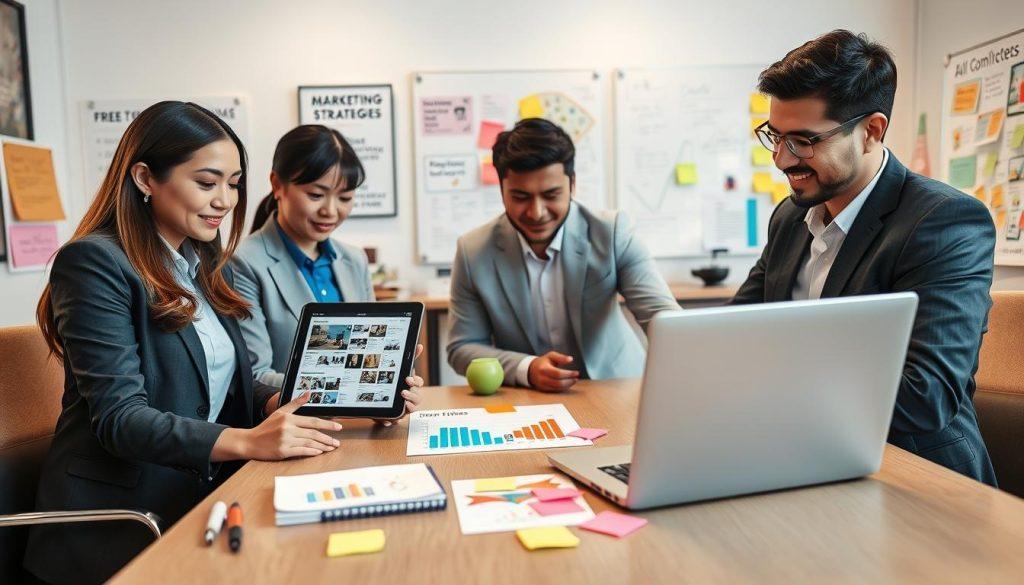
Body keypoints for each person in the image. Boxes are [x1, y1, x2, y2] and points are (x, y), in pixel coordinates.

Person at [24, 102, 422, 584]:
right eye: (207, 183)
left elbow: (235, 386)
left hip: (199, 500)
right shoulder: (94, 263)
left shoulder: (201, 263)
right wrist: (250, 440)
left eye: (233, 184)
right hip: (120, 522)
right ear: (146, 178)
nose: (226, 201)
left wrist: (346, 399)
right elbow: (120, 419)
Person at [736, 30, 997, 485]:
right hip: (799, 456)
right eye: (774, 137)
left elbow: (925, 397)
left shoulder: (945, 221)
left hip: (913, 478)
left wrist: (773, 382)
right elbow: (732, 336)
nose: (781, 159)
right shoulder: (789, 217)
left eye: (802, 140)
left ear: (871, 131)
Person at [447, 118, 679, 391]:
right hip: (530, 400)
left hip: (618, 388)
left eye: (551, 194)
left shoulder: (612, 232)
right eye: (520, 197)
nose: (537, 212)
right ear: (501, 191)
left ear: (573, 184)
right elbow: (462, 347)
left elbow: (662, 319)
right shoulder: (472, 251)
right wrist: (527, 368)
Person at [232, 125, 376, 389]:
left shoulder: (354, 261)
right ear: (277, 185)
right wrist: (348, 387)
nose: (330, 211)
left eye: (345, 197)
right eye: (316, 195)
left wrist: (393, 383)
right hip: (288, 424)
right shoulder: (242, 263)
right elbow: (255, 376)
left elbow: (371, 356)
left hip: (358, 424)